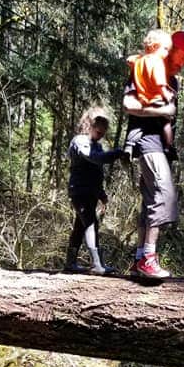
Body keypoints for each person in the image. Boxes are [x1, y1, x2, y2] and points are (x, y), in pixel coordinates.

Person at [122, 29, 184, 279]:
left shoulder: (172, 81)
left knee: (151, 200)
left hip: (160, 147)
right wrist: (163, 111)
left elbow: (170, 111)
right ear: (169, 50)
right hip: (145, 141)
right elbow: (129, 105)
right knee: (165, 195)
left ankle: (139, 258)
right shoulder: (146, 67)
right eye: (180, 56)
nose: (181, 62)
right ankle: (148, 259)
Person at [65, 107, 123, 274]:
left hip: (90, 192)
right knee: (91, 223)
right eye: (98, 129)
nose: (101, 133)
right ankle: (97, 264)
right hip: (80, 191)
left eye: (103, 131)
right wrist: (116, 154)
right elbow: (93, 158)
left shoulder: (96, 145)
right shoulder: (80, 141)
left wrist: (102, 194)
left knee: (80, 226)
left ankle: (70, 263)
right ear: (88, 124)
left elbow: (96, 172)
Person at [125, 29, 176, 154]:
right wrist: (166, 94)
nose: (167, 53)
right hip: (156, 98)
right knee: (166, 123)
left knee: (138, 126)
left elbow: (129, 60)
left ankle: (129, 145)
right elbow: (159, 81)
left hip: (143, 98)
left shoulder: (139, 60)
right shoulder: (157, 61)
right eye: (166, 49)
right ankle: (169, 147)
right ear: (155, 46)